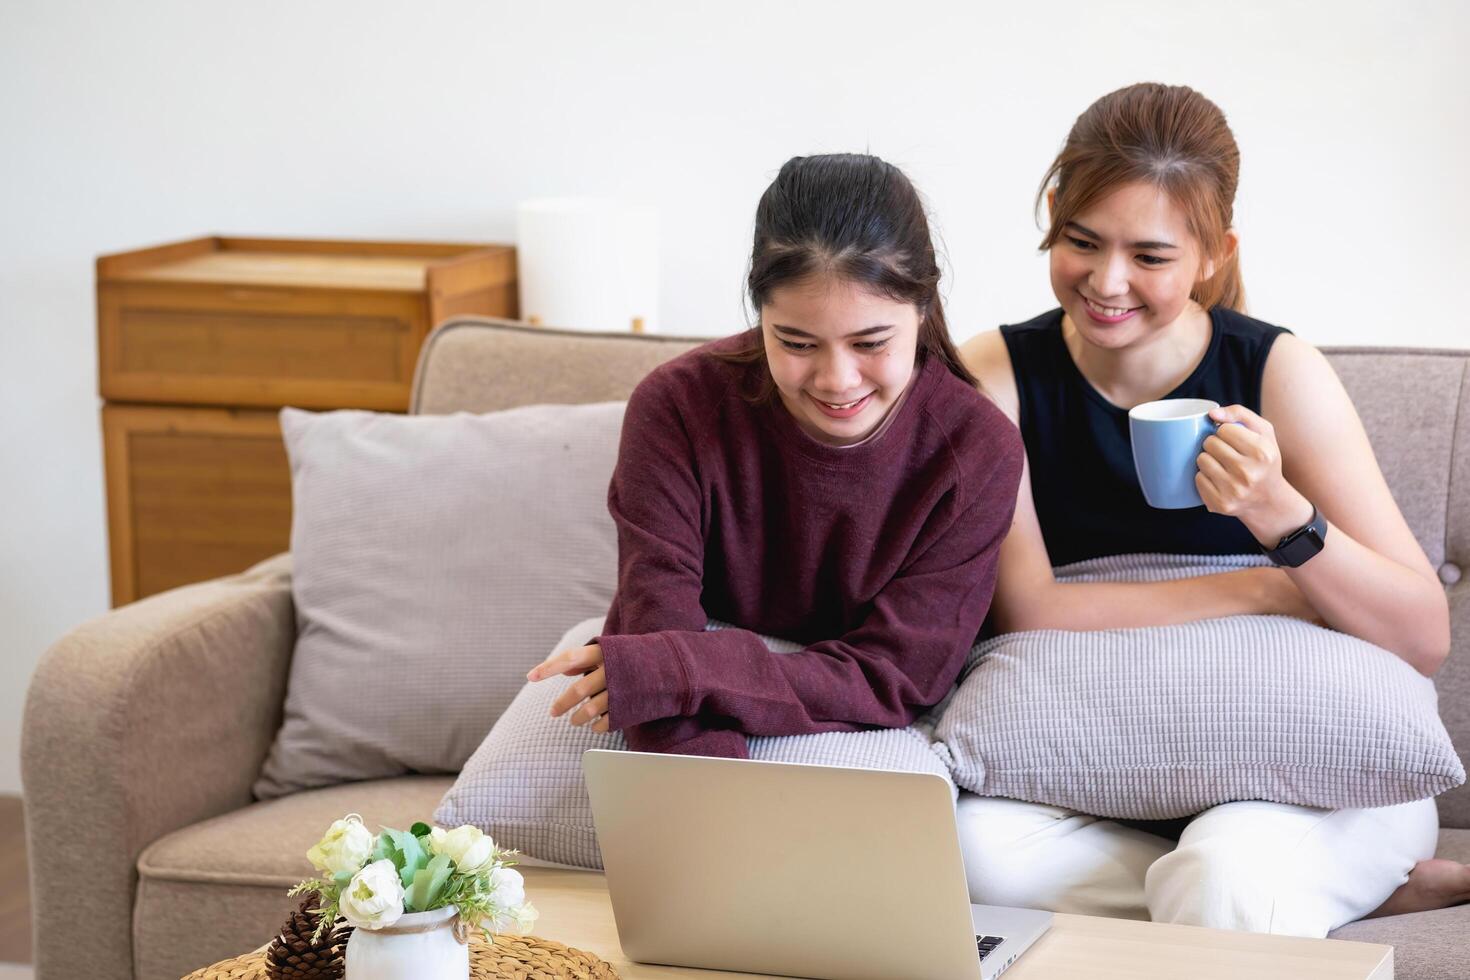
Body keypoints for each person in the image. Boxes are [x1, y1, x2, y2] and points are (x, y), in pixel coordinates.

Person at [958, 82, 1467, 936]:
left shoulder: (1277, 371)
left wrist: (1282, 518)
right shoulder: (997, 373)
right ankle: (1327, 897)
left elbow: (1423, 634)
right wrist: (1267, 590)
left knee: (1229, 862)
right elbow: (1030, 608)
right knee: (970, 847)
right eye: (1083, 241)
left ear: (1213, 255)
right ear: (1052, 213)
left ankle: (1257, 884)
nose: (1108, 281)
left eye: (1151, 256)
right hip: (1097, 785)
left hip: (1313, 788)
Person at [524, 152, 1023, 758]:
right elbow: (655, 629)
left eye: (870, 343)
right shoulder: (675, 408)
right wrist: (715, 803)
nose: (837, 380)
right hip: (698, 734)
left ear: (922, 308)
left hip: (863, 728)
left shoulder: (978, 451)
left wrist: (686, 670)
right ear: (759, 312)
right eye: (796, 342)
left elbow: (896, 676)